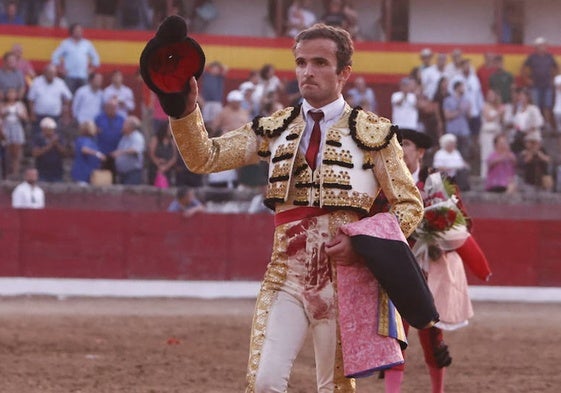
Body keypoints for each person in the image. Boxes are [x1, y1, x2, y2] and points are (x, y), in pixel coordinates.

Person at [165, 22, 425, 392]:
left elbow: (409, 205)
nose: (308, 71)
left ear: (344, 73)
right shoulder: (275, 128)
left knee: (334, 388)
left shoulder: (374, 134)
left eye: (320, 62)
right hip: (285, 276)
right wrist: (184, 110)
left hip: (344, 281)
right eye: (301, 62)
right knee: (265, 383)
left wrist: (364, 245)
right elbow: (204, 158)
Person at [521, 37, 559, 132]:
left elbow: (557, 67)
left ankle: (546, 125)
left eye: (544, 45)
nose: (543, 47)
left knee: (547, 106)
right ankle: (537, 124)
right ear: (536, 47)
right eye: (540, 46)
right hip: (535, 86)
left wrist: (553, 79)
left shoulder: (550, 57)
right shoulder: (532, 57)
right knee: (536, 106)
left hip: (547, 85)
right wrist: (527, 79)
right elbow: (523, 68)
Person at [51, 23, 101, 93]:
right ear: (72, 32)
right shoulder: (65, 43)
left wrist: (91, 70)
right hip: (69, 76)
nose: (79, 32)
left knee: (83, 97)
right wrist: (60, 69)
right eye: (77, 31)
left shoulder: (87, 44)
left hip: (83, 76)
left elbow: (96, 57)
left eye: (80, 31)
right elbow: (55, 56)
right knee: (68, 96)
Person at [27, 63, 73, 136]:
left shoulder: (60, 83)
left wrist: (65, 112)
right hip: (39, 115)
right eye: (49, 73)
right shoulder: (37, 82)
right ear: (44, 73)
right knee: (38, 136)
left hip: (55, 116)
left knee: (55, 136)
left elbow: (68, 98)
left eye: (53, 73)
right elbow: (31, 99)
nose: (51, 75)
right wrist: (32, 113)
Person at [1, 87, 28, 179]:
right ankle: (7, 172)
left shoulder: (20, 105)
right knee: (7, 151)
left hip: (16, 127)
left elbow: (25, 117)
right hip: (6, 127)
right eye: (9, 93)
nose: (11, 95)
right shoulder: (3, 105)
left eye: (13, 93)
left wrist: (18, 114)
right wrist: (6, 113)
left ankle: (15, 173)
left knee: (17, 152)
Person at [31, 117, 68, 182]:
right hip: (42, 170)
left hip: (56, 170)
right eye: (49, 129)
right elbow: (35, 153)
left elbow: (65, 153)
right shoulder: (38, 138)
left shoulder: (59, 138)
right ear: (43, 129)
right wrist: (50, 145)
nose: (51, 131)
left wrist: (56, 144)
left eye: (52, 129)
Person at [111, 115, 145, 185]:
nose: (122, 126)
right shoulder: (124, 137)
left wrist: (120, 152)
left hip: (132, 173)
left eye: (125, 124)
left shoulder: (137, 137)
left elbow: (135, 150)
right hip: (122, 173)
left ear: (131, 126)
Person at [479, 89, 505, 178]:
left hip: (496, 133)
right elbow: (488, 118)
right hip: (487, 133)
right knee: (487, 153)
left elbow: (501, 120)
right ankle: (485, 175)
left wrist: (501, 113)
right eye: (489, 95)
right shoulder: (485, 106)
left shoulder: (498, 107)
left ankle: (496, 173)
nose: (490, 96)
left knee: (496, 153)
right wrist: (499, 112)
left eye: (492, 95)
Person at [70, 120, 106, 185]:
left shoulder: (92, 140)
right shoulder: (83, 139)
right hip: (82, 174)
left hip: (91, 174)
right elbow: (84, 150)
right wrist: (98, 154)